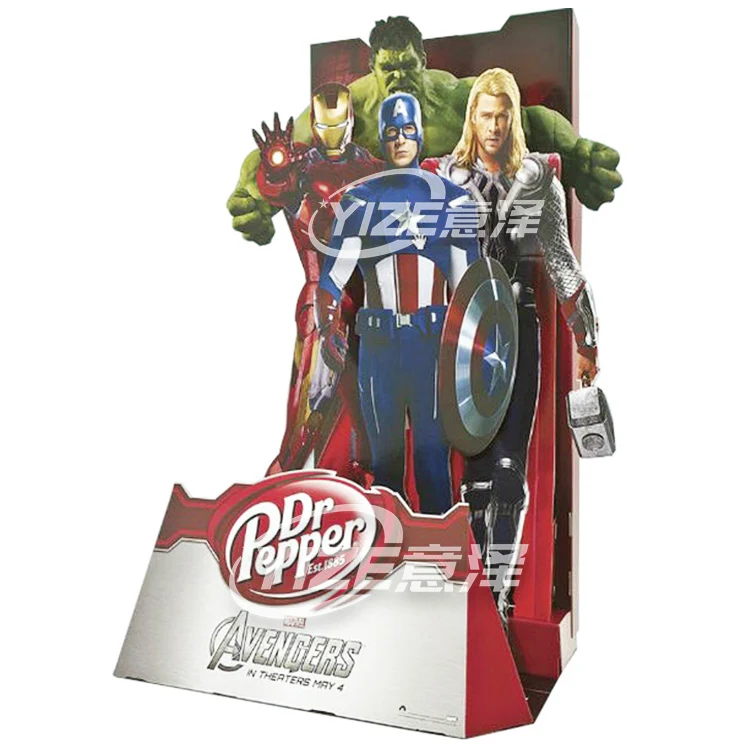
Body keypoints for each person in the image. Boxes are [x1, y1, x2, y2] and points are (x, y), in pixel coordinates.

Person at [423, 68, 600, 617]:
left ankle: (499, 594)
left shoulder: (537, 180)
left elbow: (563, 263)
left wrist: (587, 340)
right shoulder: (444, 178)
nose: (494, 126)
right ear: (472, 118)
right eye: (486, 115)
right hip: (463, 334)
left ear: (513, 119)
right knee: (475, 480)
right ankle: (475, 595)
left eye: (503, 116)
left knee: (507, 475)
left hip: (518, 327)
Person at [228, 16, 622, 247]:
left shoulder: (456, 98)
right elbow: (277, 154)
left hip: (461, 233)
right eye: (388, 68)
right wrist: (253, 196)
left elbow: (530, 120)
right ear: (372, 67)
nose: (398, 77)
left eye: (408, 66)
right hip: (373, 244)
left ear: (423, 60)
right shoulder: (346, 112)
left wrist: (576, 154)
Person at [316, 92, 480, 514]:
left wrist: (475, 352)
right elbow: (333, 277)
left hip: (433, 348)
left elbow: (471, 289)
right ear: (381, 138)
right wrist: (327, 326)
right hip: (380, 348)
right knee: (385, 469)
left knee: (432, 461)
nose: (401, 140)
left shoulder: (455, 201)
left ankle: (443, 550)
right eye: (392, 132)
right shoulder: (358, 202)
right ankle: (389, 549)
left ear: (420, 133)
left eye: (408, 130)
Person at [253, 83, 382, 473]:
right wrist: (276, 167)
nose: (332, 136)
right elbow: (275, 186)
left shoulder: (372, 168)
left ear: (350, 121)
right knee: (312, 392)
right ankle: (286, 468)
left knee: (368, 398)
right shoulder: (302, 169)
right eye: (325, 126)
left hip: (369, 299)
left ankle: (367, 470)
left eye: (338, 126)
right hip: (321, 292)